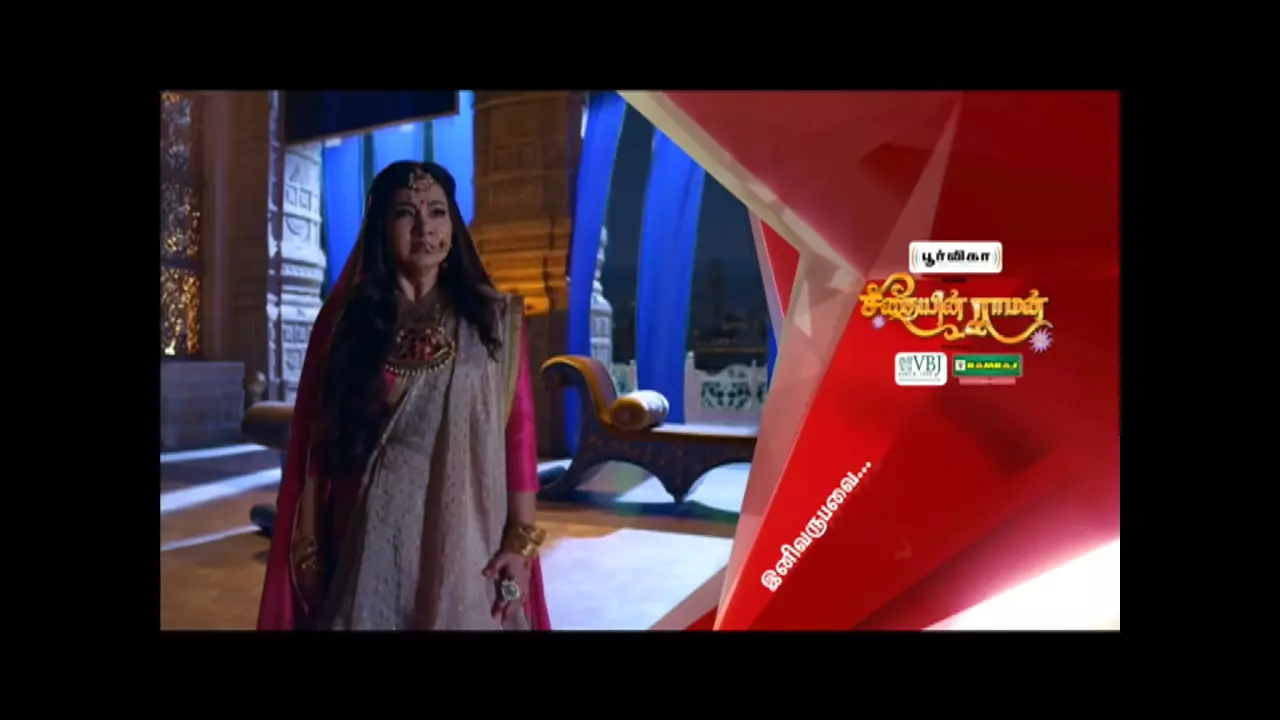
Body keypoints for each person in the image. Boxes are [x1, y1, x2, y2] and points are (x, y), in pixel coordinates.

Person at [257, 161, 551, 631]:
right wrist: (307, 543)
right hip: (367, 537)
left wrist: (520, 543)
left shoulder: (493, 322)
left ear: (453, 225)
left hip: (467, 538)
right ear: (381, 227)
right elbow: (318, 442)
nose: (424, 229)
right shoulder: (346, 325)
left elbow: (519, 437)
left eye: (437, 212)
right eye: (405, 214)